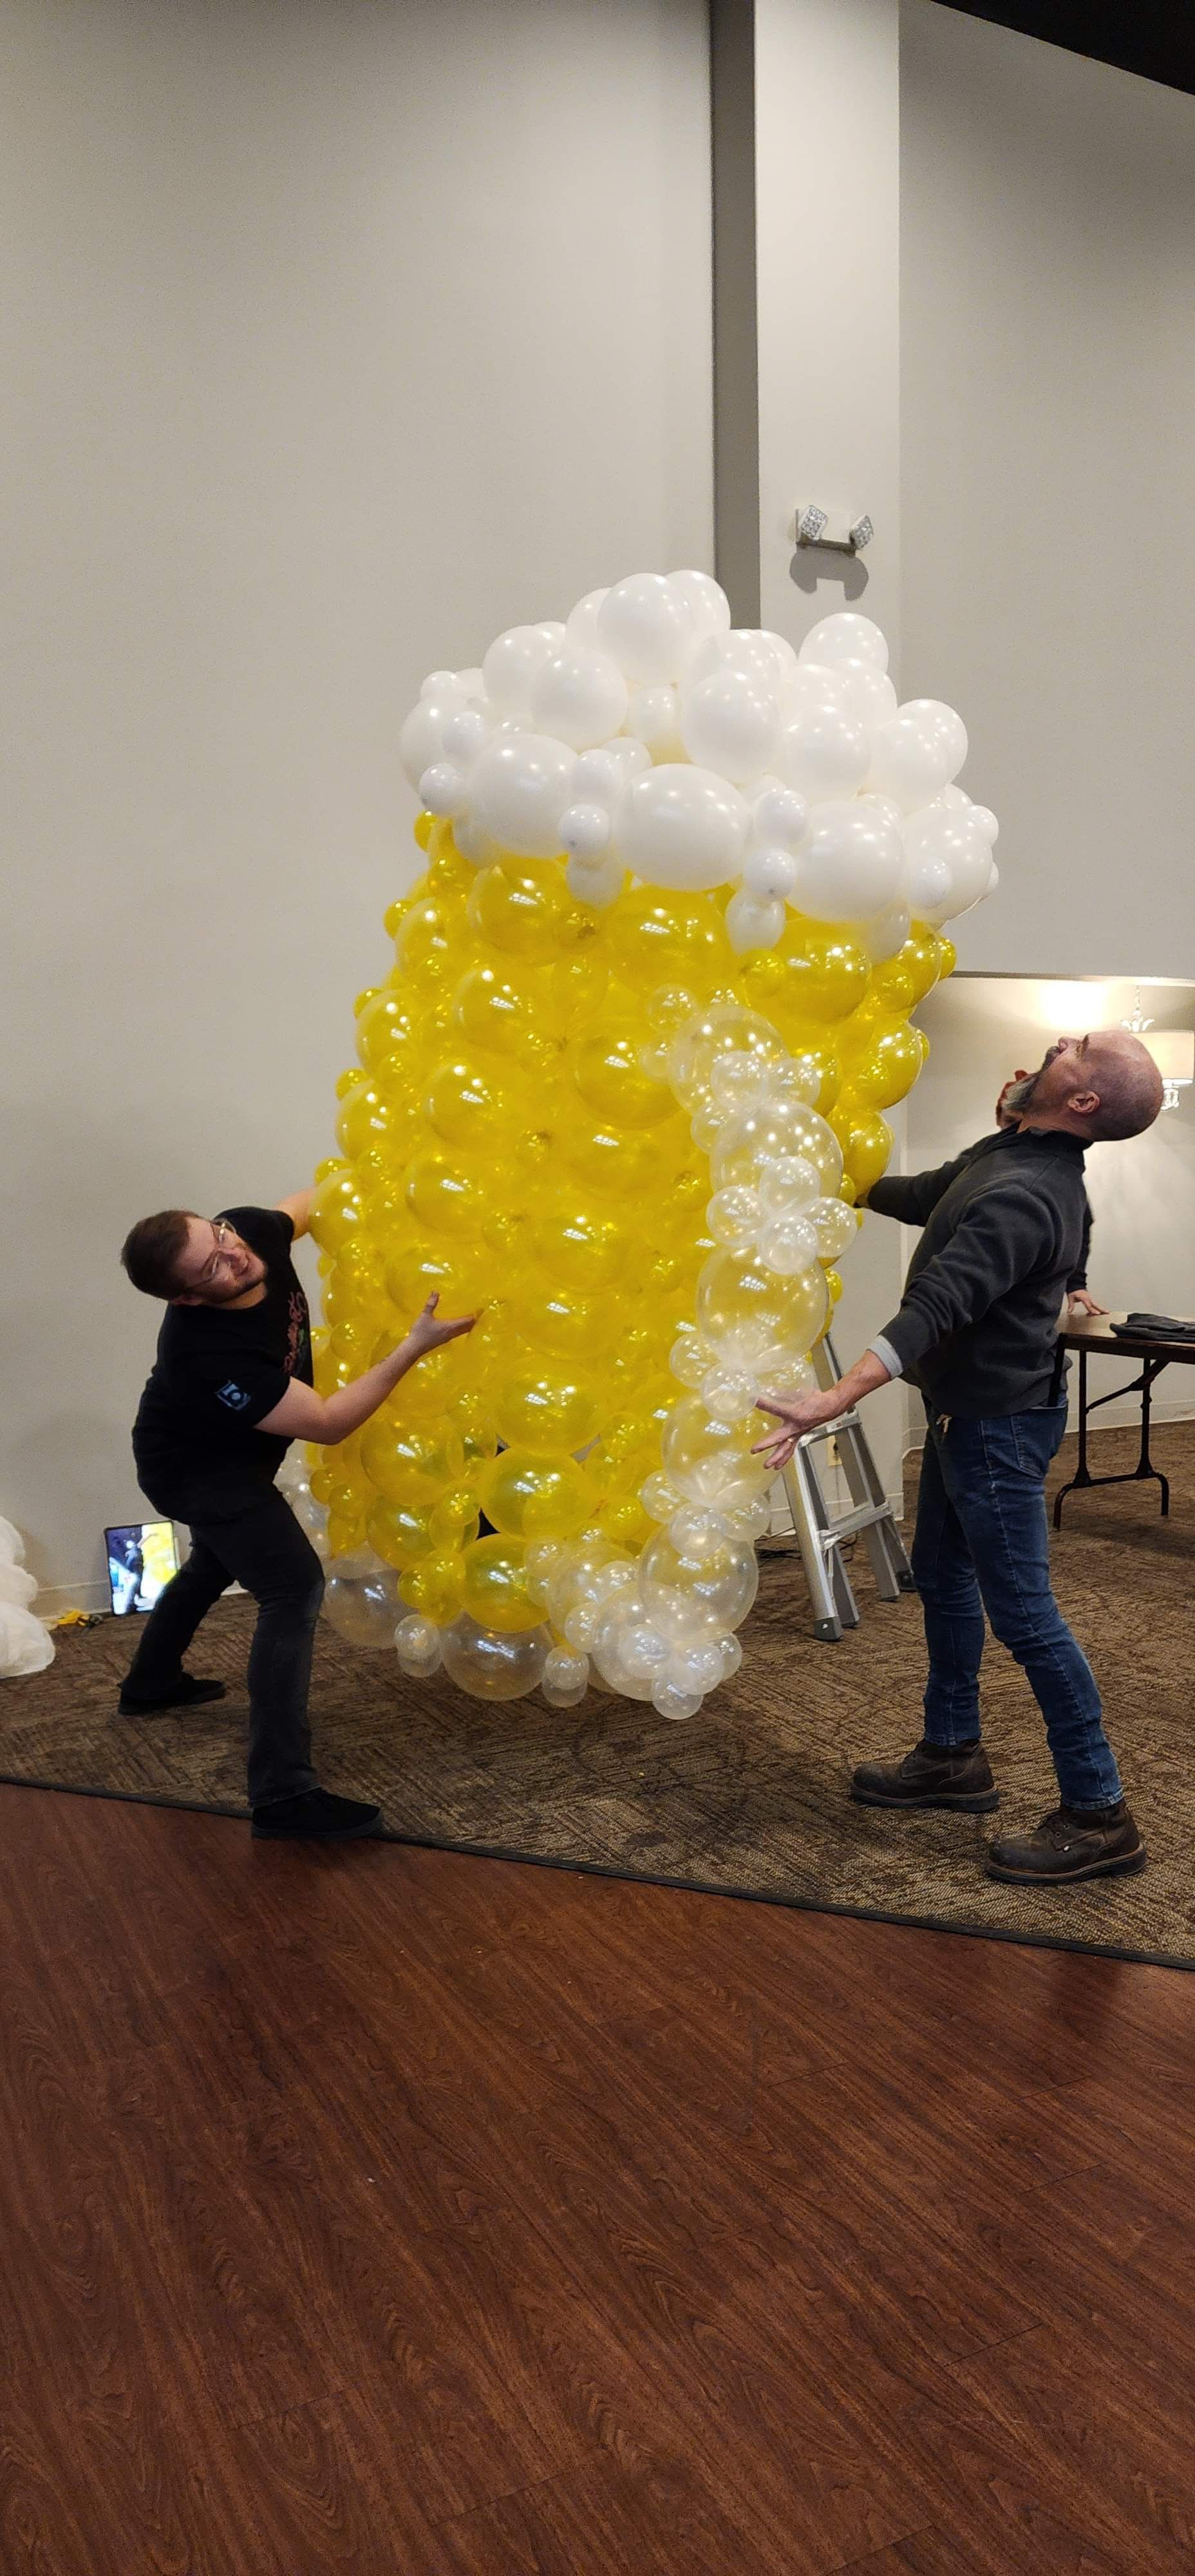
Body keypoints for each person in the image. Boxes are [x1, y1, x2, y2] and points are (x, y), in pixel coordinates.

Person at [754, 1030, 1163, 1888]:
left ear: (1083, 1101)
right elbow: (922, 1196)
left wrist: (837, 1396)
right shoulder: (1010, 1156)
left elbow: (940, 1302)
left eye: (1078, 1048)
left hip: (998, 1427)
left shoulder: (1024, 1191)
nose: (1059, 1041)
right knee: (943, 1576)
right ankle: (952, 1756)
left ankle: (1100, 1813)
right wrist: (824, 1177)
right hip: (965, 1415)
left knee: (1025, 1614)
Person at [120, 1196, 473, 1842]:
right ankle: (282, 1795)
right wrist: (413, 1347)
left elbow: (320, 1198)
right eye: (211, 1269)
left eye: (220, 1237)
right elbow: (328, 1422)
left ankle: (151, 1683)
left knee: (212, 1563)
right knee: (291, 1586)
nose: (234, 1255)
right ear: (187, 1300)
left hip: (236, 1454)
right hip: (194, 1471)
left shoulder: (246, 1232)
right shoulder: (203, 1357)